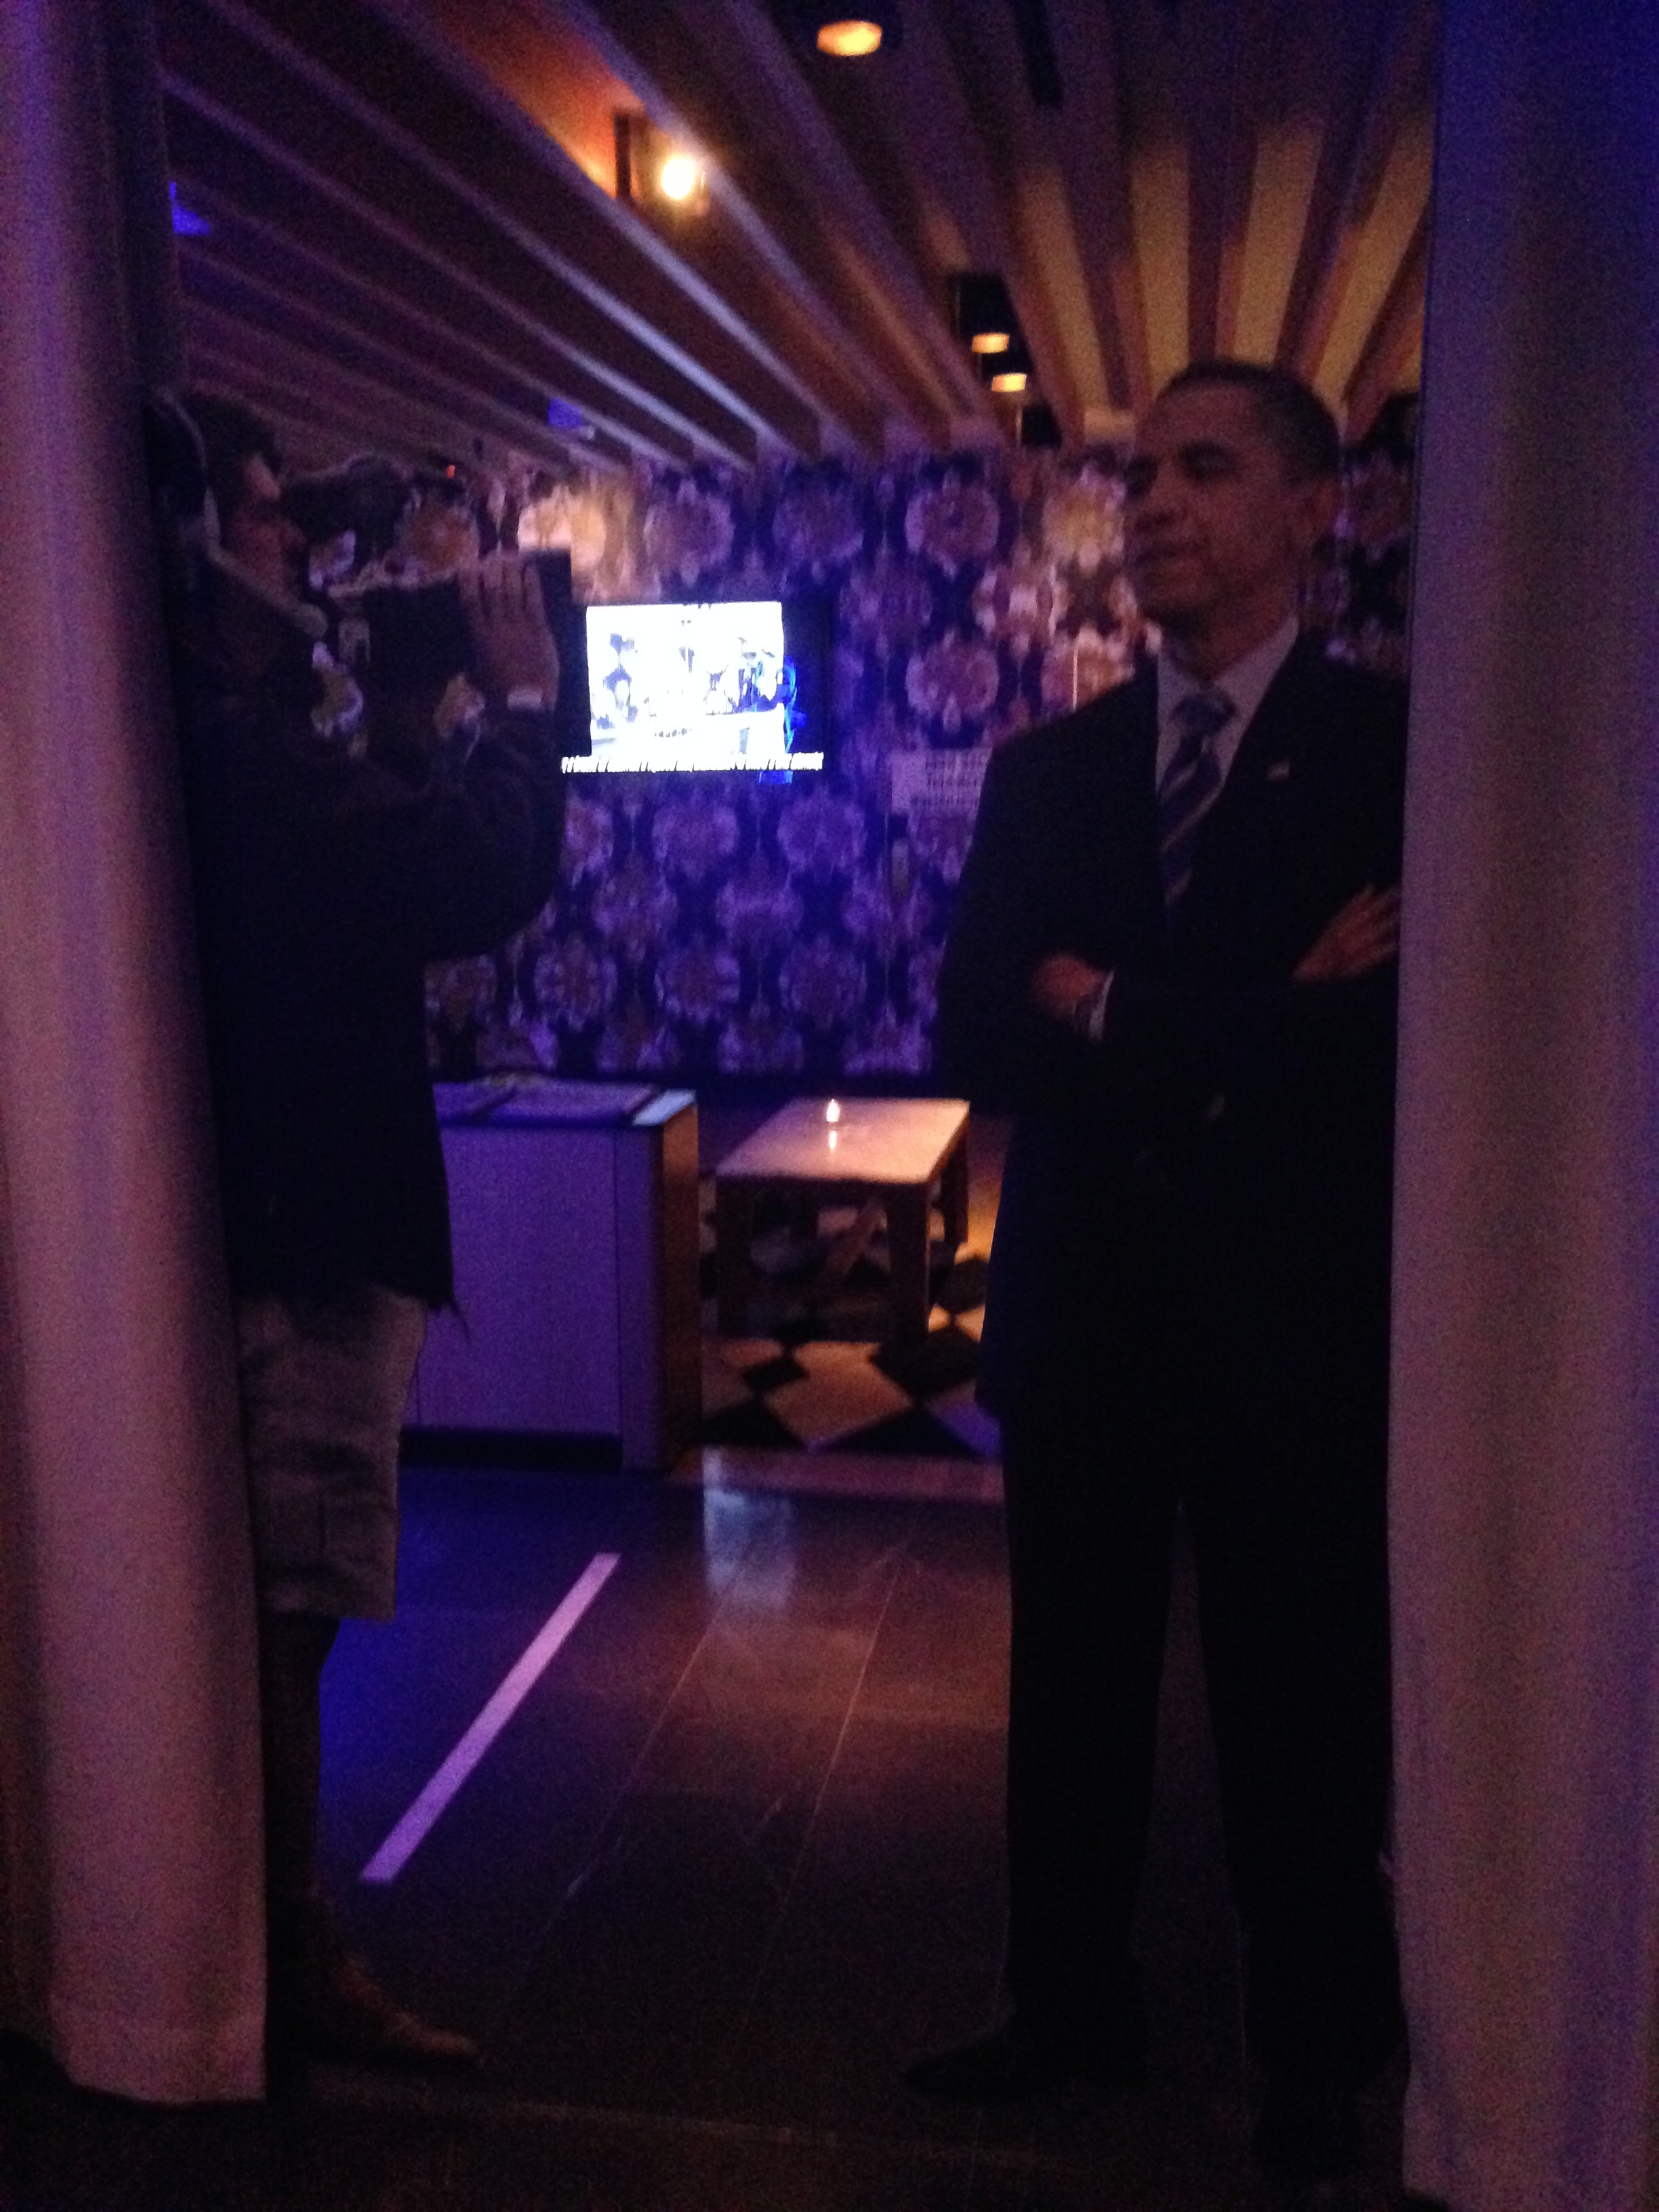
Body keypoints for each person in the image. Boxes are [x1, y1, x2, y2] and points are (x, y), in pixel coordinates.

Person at [918, 361, 1407, 2182]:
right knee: (1073, 1686)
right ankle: (1066, 2005)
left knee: (1302, 1695)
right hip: (1087, 1310)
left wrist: (1113, 1005)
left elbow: (1383, 1052)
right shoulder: (1050, 771)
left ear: (1314, 510)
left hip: (1291, 1317)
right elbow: (979, 1029)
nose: (1156, 505)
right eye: (1139, 476)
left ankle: (1316, 2052)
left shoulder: (1395, 756)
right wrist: (1267, 1007)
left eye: (1205, 468)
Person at [165, 395, 566, 2071]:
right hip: (316, 1236)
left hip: (276, 1218)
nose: (300, 542)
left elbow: (369, 885)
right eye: (268, 513)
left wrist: (400, 717)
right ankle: (282, 1954)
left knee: (277, 1607)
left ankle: (247, 1935)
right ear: (194, 546)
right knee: (294, 1609)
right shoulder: (243, 747)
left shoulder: (217, 732)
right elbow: (471, 881)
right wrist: (524, 704)